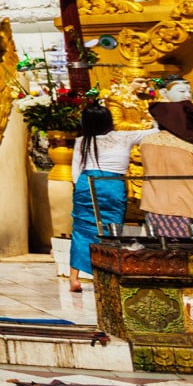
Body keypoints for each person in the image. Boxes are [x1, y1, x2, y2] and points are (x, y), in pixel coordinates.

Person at [138, 99, 193, 241]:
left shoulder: (146, 141)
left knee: (163, 253)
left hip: (155, 206)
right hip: (187, 208)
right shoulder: (188, 147)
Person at [68, 101, 137, 283]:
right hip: (112, 185)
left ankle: (74, 277)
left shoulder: (82, 141)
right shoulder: (124, 137)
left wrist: (80, 188)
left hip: (87, 183)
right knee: (111, 229)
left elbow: (75, 170)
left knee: (81, 229)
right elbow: (153, 131)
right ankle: (107, 273)